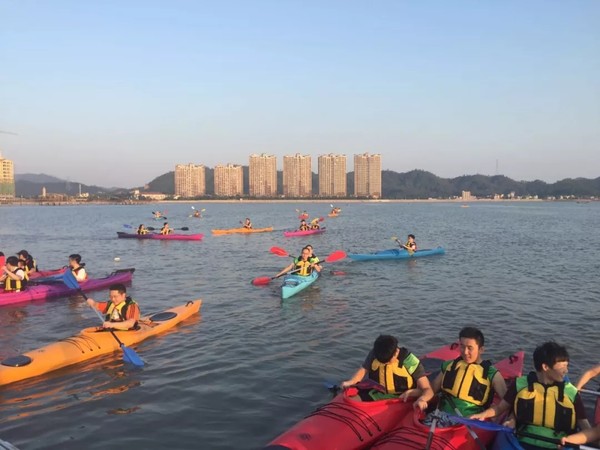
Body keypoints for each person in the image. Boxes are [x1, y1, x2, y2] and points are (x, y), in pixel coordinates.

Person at [471, 341, 591, 449]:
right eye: (562, 367)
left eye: (567, 366)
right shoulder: (520, 384)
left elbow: (585, 427)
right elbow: (499, 408)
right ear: (545, 367)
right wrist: (482, 415)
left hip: (558, 446)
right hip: (521, 442)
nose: (566, 371)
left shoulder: (571, 392)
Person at [427, 327, 507, 424]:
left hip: (471, 421)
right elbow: (432, 389)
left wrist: (487, 413)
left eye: (470, 348)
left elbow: (507, 403)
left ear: (481, 349)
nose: (465, 352)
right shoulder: (449, 365)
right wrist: (423, 398)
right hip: (442, 416)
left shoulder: (492, 374)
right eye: (462, 346)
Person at [340, 334, 433, 411]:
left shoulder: (409, 361)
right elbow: (363, 369)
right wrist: (351, 382)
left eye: (388, 361)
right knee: (349, 404)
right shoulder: (376, 353)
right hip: (378, 393)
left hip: (402, 397)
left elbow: (427, 389)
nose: (385, 363)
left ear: (396, 352)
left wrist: (422, 399)